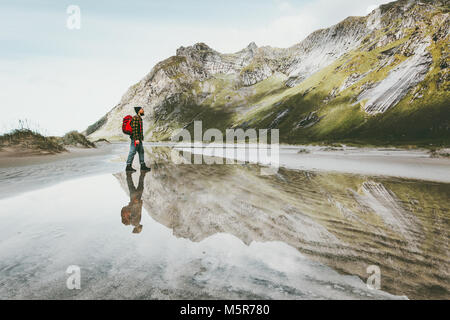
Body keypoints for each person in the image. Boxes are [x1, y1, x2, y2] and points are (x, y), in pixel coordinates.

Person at [126, 106, 151, 172]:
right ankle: (128, 166)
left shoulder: (139, 118)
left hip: (138, 139)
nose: (143, 110)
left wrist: (140, 138)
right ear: (139, 111)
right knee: (132, 152)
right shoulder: (135, 118)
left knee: (141, 151)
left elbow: (139, 129)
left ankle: (142, 166)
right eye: (142, 109)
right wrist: (136, 139)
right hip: (135, 139)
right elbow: (134, 129)